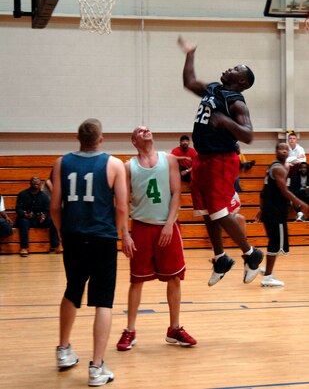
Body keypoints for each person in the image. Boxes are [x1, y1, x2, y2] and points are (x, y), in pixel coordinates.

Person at [178, 36, 263, 286]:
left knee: (219, 212)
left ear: (241, 81)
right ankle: (220, 257)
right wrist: (190, 53)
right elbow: (189, 81)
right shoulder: (215, 88)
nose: (230, 68)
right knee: (206, 212)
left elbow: (248, 135)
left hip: (221, 160)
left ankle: (251, 253)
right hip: (202, 159)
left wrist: (226, 122)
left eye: (236, 69)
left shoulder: (236, 102)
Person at [50, 118, 128, 387]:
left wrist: (63, 232)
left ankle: (63, 351)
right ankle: (96, 368)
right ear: (101, 139)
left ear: (77, 137)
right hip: (102, 237)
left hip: (73, 236)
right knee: (103, 300)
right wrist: (120, 233)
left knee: (72, 290)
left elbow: (54, 206)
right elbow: (121, 207)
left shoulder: (61, 163)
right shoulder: (114, 164)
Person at [117, 126, 196, 351]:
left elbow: (177, 193)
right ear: (134, 141)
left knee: (174, 278)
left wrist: (170, 223)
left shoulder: (169, 160)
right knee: (137, 280)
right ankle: (130, 331)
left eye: (147, 129)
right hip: (141, 227)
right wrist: (125, 234)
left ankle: (174, 328)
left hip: (167, 227)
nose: (145, 130)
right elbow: (122, 204)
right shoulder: (128, 167)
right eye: (140, 131)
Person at [255, 142, 309, 287]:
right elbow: (285, 191)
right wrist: (302, 204)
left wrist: (261, 208)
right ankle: (267, 277)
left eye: (286, 149)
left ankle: (267, 269)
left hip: (270, 210)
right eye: (281, 149)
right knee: (276, 243)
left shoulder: (272, 167)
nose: (284, 151)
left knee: (277, 242)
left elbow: (263, 191)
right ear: (276, 151)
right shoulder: (279, 168)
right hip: (276, 212)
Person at [15, 176, 62, 257]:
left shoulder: (44, 196)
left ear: (40, 184)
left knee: (52, 220)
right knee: (23, 221)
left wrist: (44, 215)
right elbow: (18, 209)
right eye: (34, 180)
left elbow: (47, 210)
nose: (36, 182)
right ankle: (24, 248)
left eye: (37, 181)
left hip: (39, 220)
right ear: (30, 183)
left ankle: (55, 245)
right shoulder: (22, 194)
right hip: (27, 219)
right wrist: (24, 214)